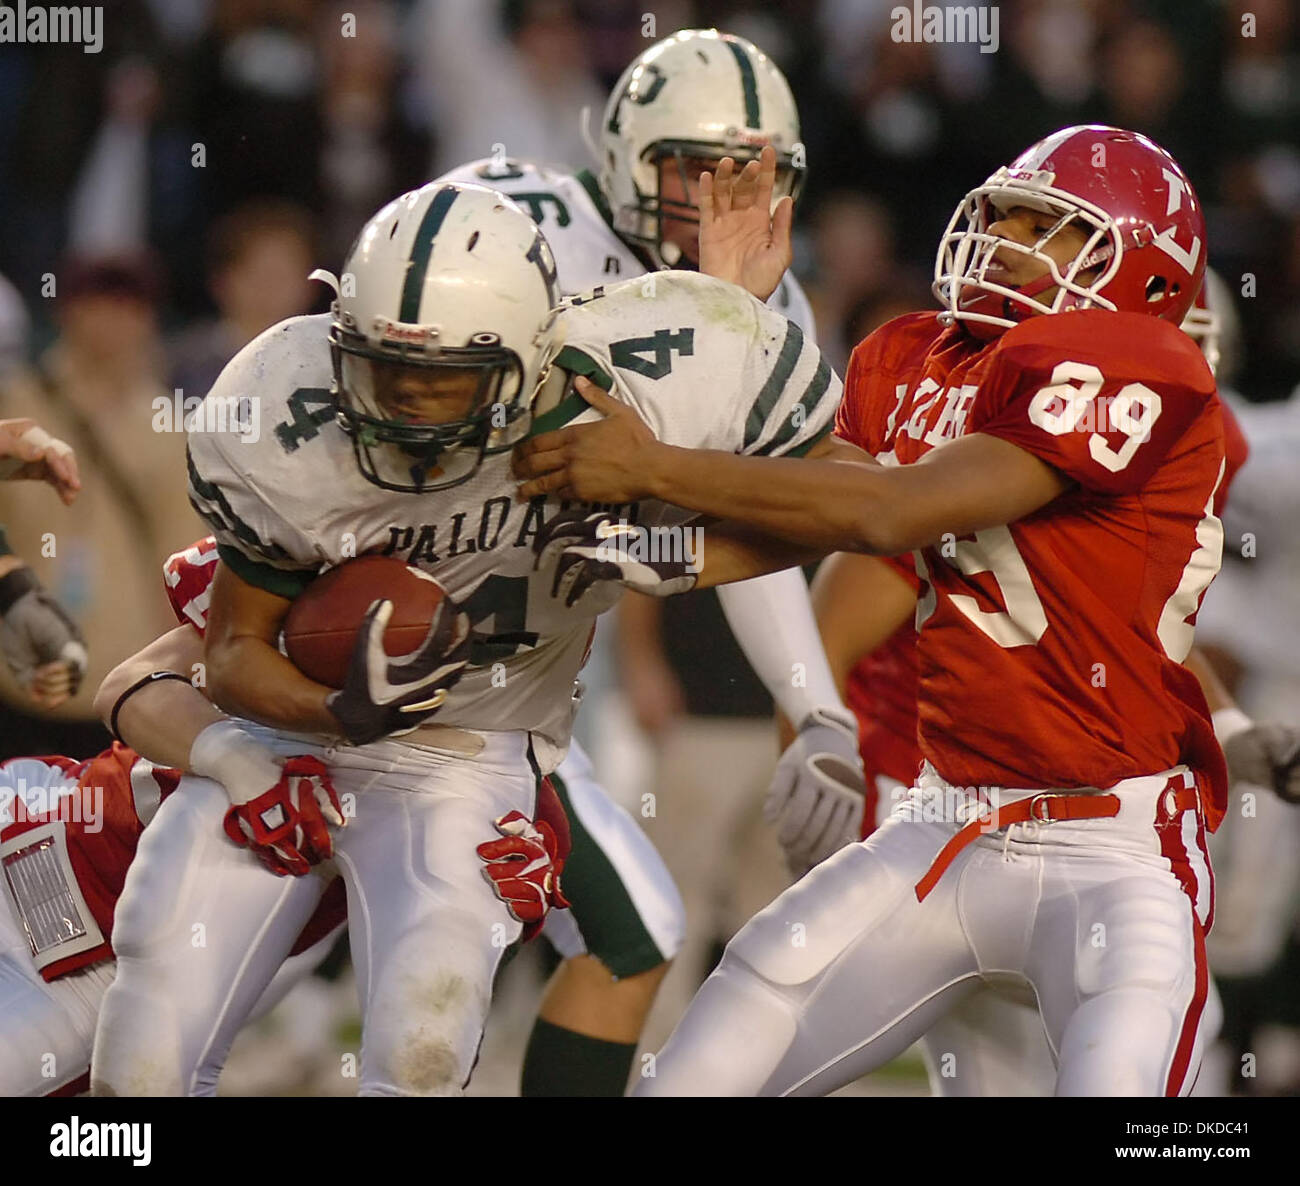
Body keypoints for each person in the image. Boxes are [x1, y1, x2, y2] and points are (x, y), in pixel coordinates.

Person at [516, 126, 1234, 1095]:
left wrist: (650, 467)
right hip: (946, 816)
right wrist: (742, 324)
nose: (1009, 241)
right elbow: (821, 507)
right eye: (1006, 216)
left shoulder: (1140, 362)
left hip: (1117, 846)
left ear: (1146, 279)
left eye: (1050, 230)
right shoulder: (912, 355)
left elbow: (891, 508)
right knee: (726, 1032)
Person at [91, 179, 841, 1097]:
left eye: (442, 376)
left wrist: (679, 548)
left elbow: (851, 502)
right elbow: (233, 651)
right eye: (380, 366)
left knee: (425, 1047)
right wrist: (330, 703)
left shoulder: (635, 383)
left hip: (468, 754)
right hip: (291, 744)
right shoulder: (283, 406)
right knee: (143, 1047)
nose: (406, 400)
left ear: (530, 356)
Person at [435, 27, 862, 1083]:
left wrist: (816, 705)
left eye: (745, 171)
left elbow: (744, 517)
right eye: (686, 163)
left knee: (593, 938)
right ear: (626, 146)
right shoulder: (517, 220)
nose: (711, 194)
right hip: (406, 598)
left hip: (527, 671)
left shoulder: (769, 307)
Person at [0, 537, 566, 1096]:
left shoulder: (507, 798)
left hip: (85, 972)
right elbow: (130, 684)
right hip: (30, 816)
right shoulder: (327, 586)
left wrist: (502, 911)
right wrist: (233, 757)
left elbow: (449, 954)